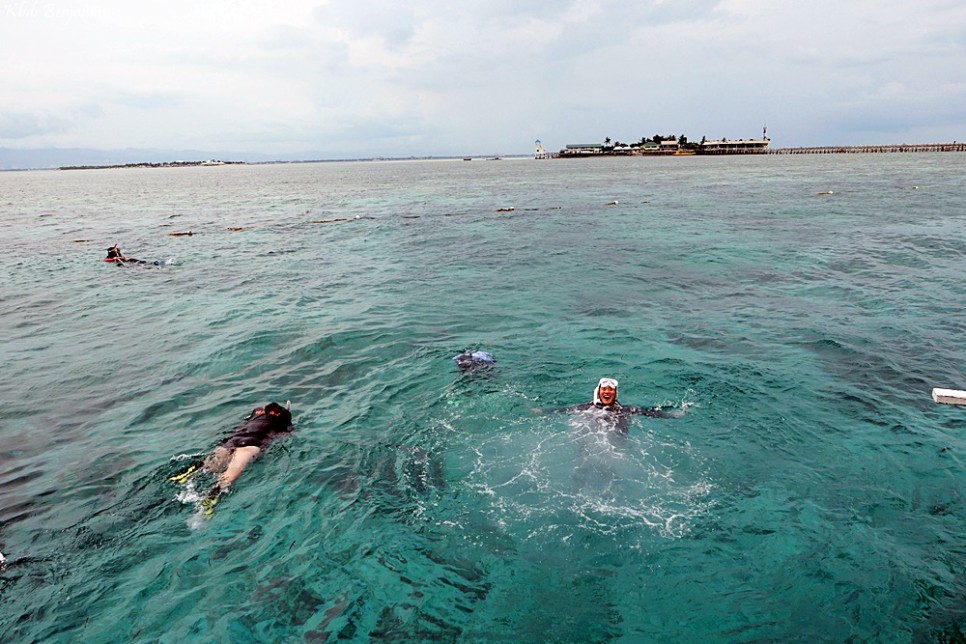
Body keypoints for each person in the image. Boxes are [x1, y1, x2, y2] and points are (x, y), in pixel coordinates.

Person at [170, 402, 293, 515]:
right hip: (251, 445)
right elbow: (287, 432)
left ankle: (188, 472)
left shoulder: (257, 411)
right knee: (229, 476)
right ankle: (212, 497)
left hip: (232, 441)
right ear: (277, 413)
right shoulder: (283, 418)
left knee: (211, 464)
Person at [539, 377, 680, 433]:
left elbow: (652, 413)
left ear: (616, 394)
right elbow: (561, 410)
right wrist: (541, 411)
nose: (607, 391)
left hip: (614, 450)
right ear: (598, 392)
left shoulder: (626, 410)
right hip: (589, 447)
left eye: (611, 390)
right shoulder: (586, 408)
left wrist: (675, 415)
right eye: (604, 389)